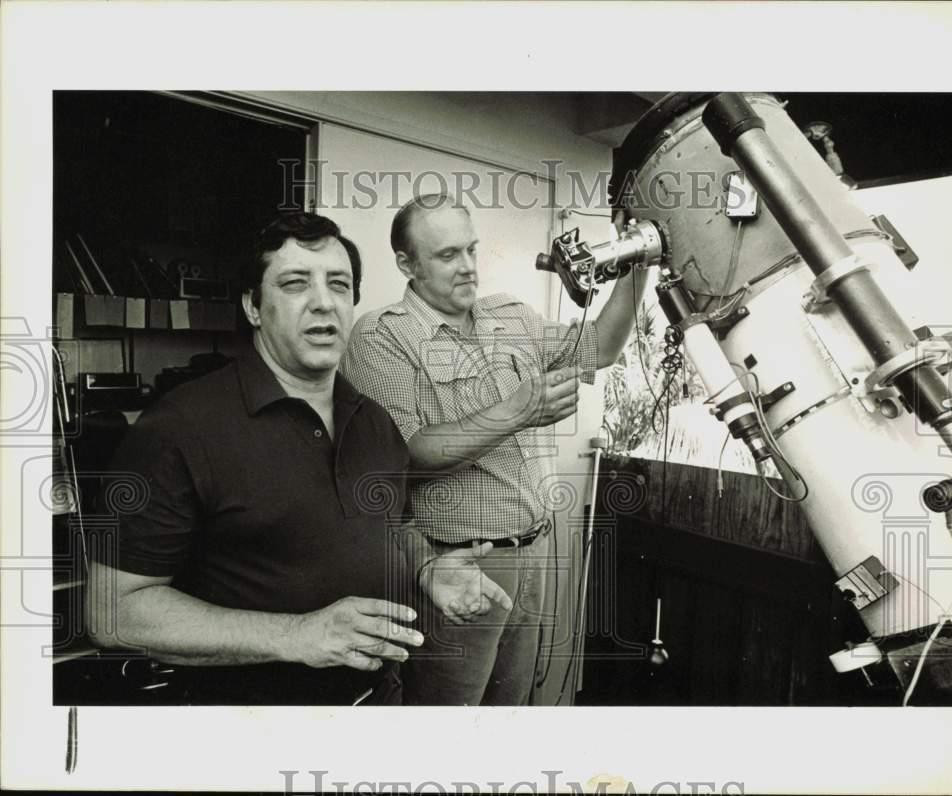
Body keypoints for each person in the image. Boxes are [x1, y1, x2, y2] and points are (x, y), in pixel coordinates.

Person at [86, 212, 434, 705]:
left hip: (377, 702)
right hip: (248, 729)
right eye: (295, 284)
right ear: (253, 306)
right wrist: (298, 635)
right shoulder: (180, 427)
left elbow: (393, 526)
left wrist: (431, 570)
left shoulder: (375, 419)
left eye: (339, 284)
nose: (323, 302)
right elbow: (112, 612)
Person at [341, 194, 649, 705]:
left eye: (471, 250)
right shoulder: (381, 336)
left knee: (509, 721)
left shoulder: (511, 316)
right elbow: (410, 453)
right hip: (455, 561)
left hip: (533, 550)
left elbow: (602, 346)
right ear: (406, 264)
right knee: (447, 729)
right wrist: (519, 409)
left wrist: (638, 265)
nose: (467, 268)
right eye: (446, 256)